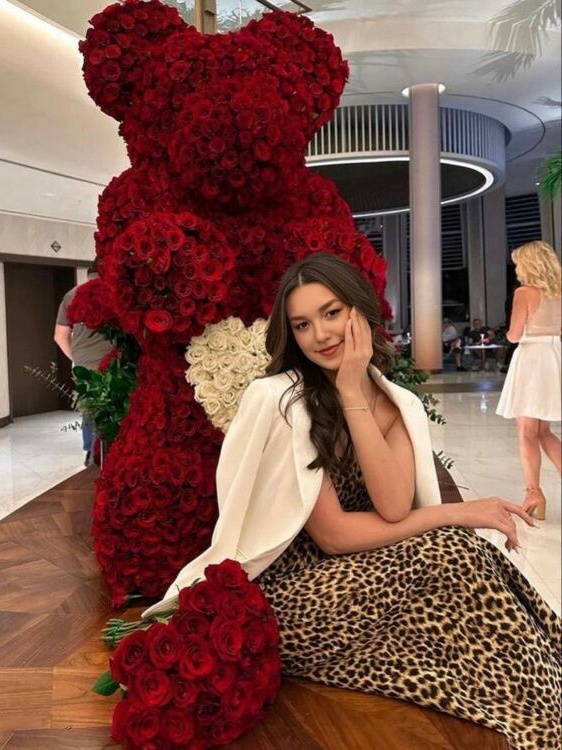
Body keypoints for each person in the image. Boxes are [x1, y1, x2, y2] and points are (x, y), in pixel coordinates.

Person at [144, 253, 560, 750]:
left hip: (364, 571)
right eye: (302, 324)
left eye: (332, 313)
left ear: (359, 311)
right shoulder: (280, 399)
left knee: (471, 559)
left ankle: (543, 693)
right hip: (290, 589)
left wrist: (354, 394)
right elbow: (334, 535)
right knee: (451, 550)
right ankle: (541, 715)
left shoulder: (397, 403)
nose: (320, 335)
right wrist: (457, 511)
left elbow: (393, 507)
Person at [496, 240, 562, 520]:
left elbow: (513, 335)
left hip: (532, 360)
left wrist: (513, 334)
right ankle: (534, 493)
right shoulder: (558, 292)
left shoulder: (524, 293)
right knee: (544, 431)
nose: (517, 269)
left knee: (526, 432)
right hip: (554, 357)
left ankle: (533, 492)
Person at [54, 260, 112, 466]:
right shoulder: (114, 293)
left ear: (88, 273)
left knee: (90, 411)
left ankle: (91, 455)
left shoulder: (72, 295)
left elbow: (59, 336)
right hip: (114, 363)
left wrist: (77, 358)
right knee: (114, 413)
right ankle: (110, 455)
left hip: (84, 366)